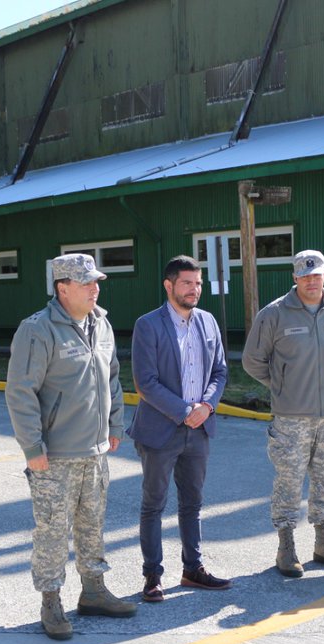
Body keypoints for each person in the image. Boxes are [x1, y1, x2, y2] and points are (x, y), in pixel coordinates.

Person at [5, 253, 135, 640]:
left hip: (95, 451)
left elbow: (112, 378)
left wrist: (114, 424)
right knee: (52, 530)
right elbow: (20, 392)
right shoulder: (38, 330)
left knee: (92, 525)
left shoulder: (102, 323)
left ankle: (93, 591)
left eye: (96, 281)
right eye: (86, 283)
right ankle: (51, 601)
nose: (95, 288)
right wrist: (33, 448)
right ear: (63, 288)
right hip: (55, 456)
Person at [243, 249, 324, 577]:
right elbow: (253, 360)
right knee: (289, 482)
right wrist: (282, 384)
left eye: (317, 274)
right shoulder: (275, 315)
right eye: (305, 275)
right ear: (295, 278)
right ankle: (286, 547)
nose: (311, 280)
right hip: (291, 417)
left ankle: (323, 543)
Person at [127, 255, 230, 602]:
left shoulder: (208, 322)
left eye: (198, 283)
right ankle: (153, 576)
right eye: (187, 283)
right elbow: (146, 382)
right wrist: (185, 411)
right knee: (153, 504)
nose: (194, 290)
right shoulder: (148, 325)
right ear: (169, 285)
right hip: (160, 429)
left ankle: (193, 569)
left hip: (199, 429)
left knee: (193, 503)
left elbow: (220, 372)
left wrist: (207, 406)